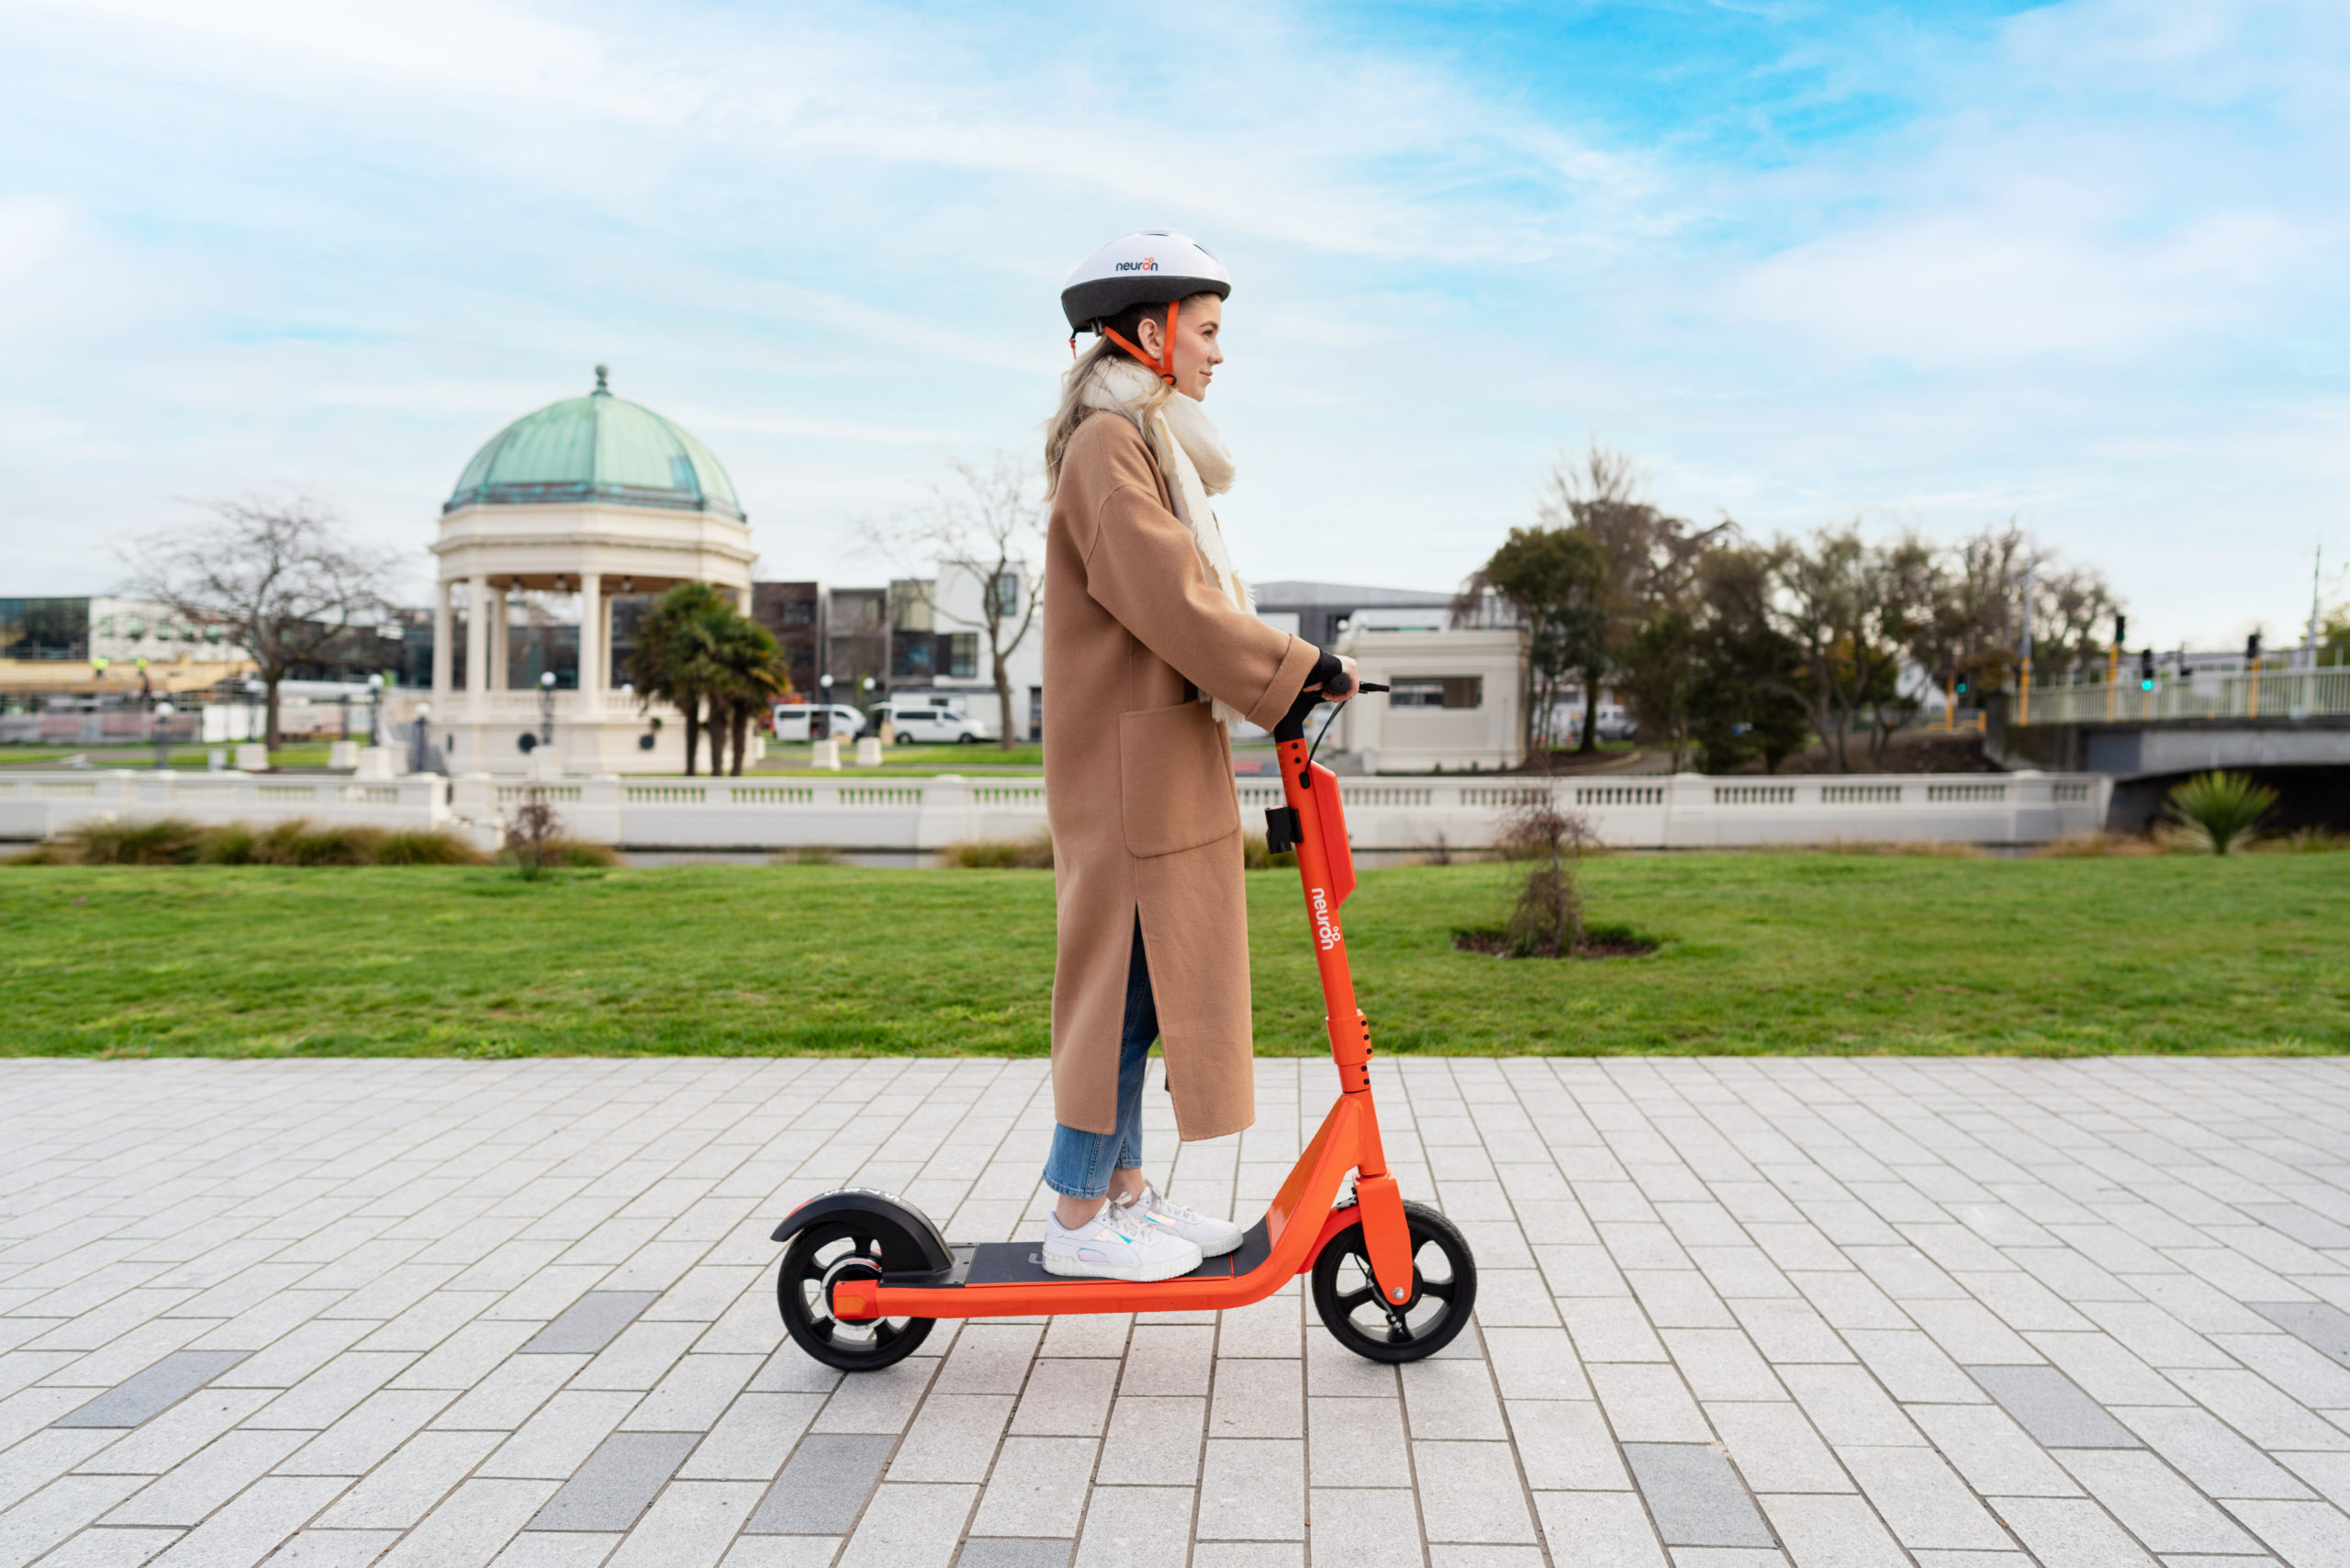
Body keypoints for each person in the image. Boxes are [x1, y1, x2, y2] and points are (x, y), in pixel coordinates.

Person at [1035, 230, 1354, 1281]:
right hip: (1128, 777)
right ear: (1148, 331)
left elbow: (1182, 596)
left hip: (1156, 764)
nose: (1219, 354)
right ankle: (1080, 1218)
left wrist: (1285, 674)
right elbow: (1169, 593)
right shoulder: (1107, 447)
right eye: (1208, 332)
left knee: (1144, 987)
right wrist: (1295, 670)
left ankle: (1122, 1195)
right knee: (1121, 995)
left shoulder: (1146, 440)